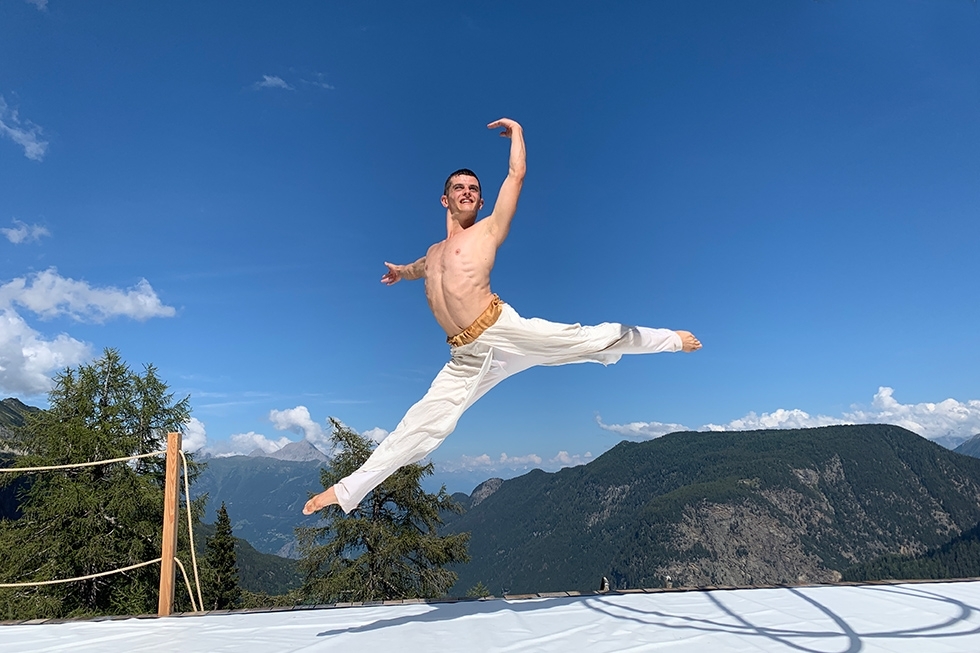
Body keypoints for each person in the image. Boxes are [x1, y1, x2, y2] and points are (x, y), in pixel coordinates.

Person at [303, 118, 701, 515]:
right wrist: (399, 273)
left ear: (480, 202)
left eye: (474, 190)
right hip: (466, 356)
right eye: (459, 188)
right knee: (422, 422)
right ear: (445, 199)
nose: (467, 192)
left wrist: (519, 133)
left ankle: (670, 339)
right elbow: (418, 268)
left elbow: (517, 174)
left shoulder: (489, 230)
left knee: (588, 339)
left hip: (504, 330)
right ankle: (346, 491)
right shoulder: (434, 252)